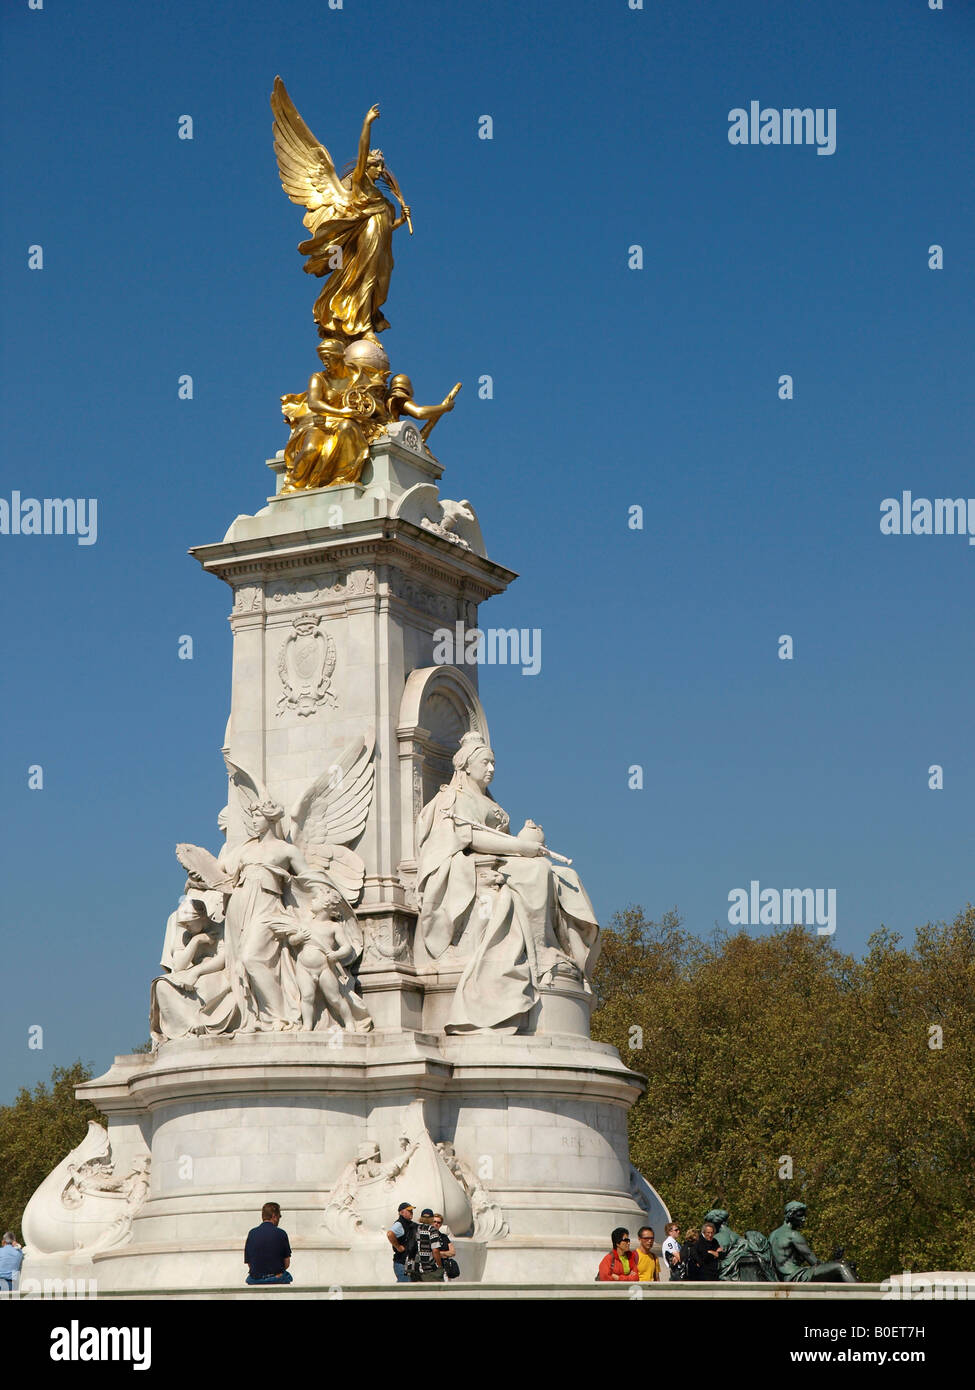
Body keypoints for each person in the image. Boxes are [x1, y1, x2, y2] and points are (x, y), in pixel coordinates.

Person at [243, 1202, 293, 1286]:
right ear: (274, 1216)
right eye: (279, 1216)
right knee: (287, 1276)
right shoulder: (281, 1233)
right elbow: (287, 1263)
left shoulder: (252, 1233)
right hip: (277, 1278)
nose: (279, 1219)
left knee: (249, 1278)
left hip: (255, 1279)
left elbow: (249, 1263)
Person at [386, 1201, 416, 1284]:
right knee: (405, 1291)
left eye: (412, 1211)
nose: (411, 1213)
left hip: (408, 1263)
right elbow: (390, 1234)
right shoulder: (399, 1224)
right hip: (402, 1264)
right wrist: (398, 1247)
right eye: (409, 1211)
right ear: (401, 1212)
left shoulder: (409, 1224)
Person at [431, 1212, 459, 1280]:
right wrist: (445, 1253)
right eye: (434, 1221)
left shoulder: (444, 1237)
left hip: (445, 1270)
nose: (436, 1224)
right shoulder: (427, 1236)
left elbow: (453, 1252)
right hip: (431, 1269)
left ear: (441, 1224)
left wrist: (439, 1253)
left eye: (438, 1222)